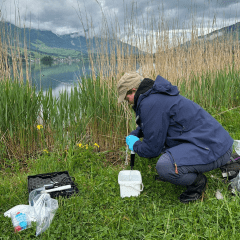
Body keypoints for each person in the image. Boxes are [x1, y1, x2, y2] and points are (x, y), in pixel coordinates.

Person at [117, 72, 233, 203]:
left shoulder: (150, 103)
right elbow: (154, 125)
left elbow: (151, 150)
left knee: (165, 166)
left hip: (215, 148)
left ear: (133, 91)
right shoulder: (154, 96)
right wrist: (137, 133)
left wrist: (135, 145)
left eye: (127, 99)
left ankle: (197, 183)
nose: (128, 103)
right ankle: (182, 171)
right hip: (215, 142)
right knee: (164, 149)